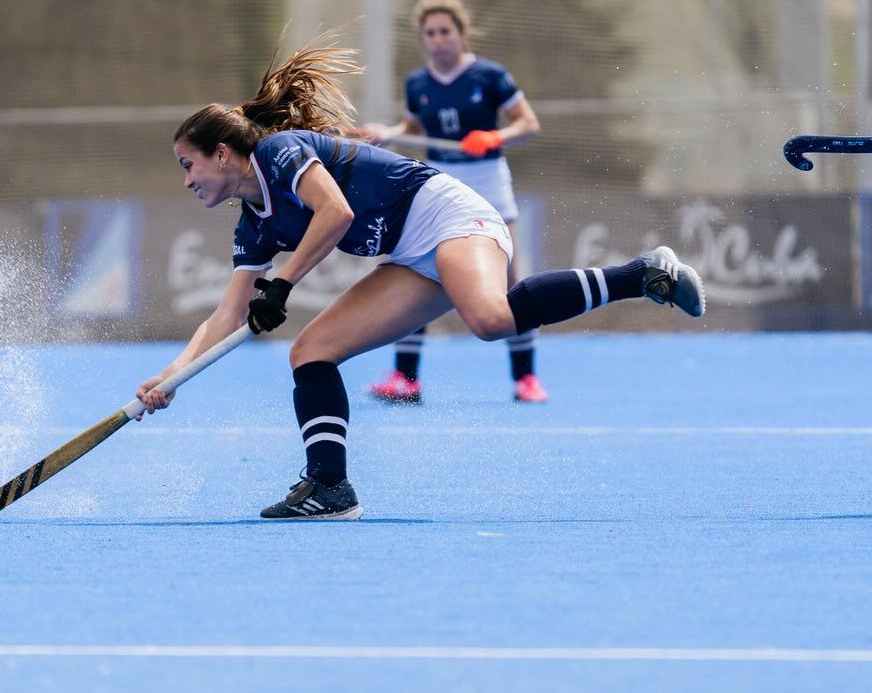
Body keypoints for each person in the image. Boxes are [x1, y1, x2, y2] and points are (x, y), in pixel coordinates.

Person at [136, 35, 706, 521]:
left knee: (490, 319)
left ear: (221, 154)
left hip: (451, 216)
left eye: (188, 165)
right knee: (311, 352)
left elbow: (336, 215)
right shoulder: (252, 227)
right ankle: (330, 488)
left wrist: (281, 286)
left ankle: (644, 274)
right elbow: (227, 315)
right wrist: (167, 379)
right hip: (409, 255)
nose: (186, 181)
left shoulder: (281, 153)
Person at [358, 0, 545, 404]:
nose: (438, 39)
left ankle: (525, 378)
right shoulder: (418, 82)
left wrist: (497, 135)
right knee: (421, 269)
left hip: (489, 180)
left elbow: (528, 123)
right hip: (441, 185)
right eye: (430, 33)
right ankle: (406, 379)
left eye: (445, 31)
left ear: (461, 35)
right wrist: (387, 133)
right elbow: (411, 125)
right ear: (422, 38)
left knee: (511, 278)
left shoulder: (490, 76)